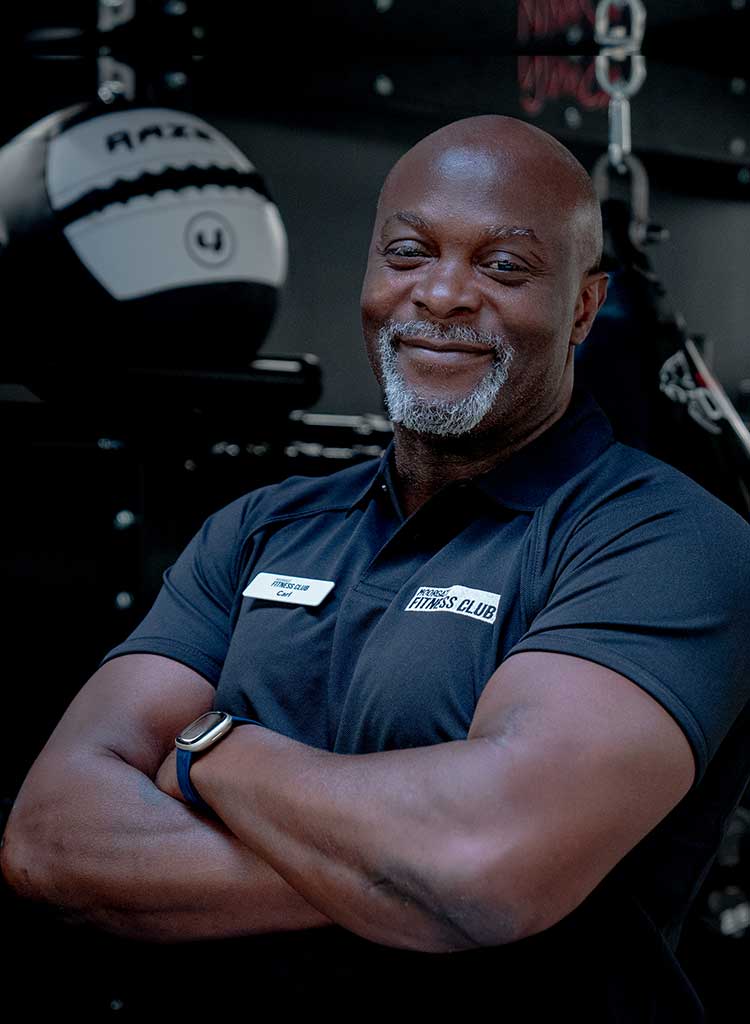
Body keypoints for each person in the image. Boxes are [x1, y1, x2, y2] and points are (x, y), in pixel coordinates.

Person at [2, 115, 750, 1021]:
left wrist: (206, 749)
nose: (441, 294)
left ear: (584, 309)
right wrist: (397, 878)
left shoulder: (669, 540)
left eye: (502, 266)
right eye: (407, 253)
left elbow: (481, 866)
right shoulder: (259, 529)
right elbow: (48, 838)